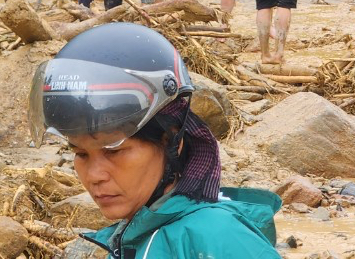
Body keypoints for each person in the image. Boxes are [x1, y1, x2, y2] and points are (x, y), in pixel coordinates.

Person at [30, 23, 281, 259]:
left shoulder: (218, 237)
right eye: (81, 154)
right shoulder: (134, 234)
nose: (94, 176)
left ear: (173, 141)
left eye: (114, 151)